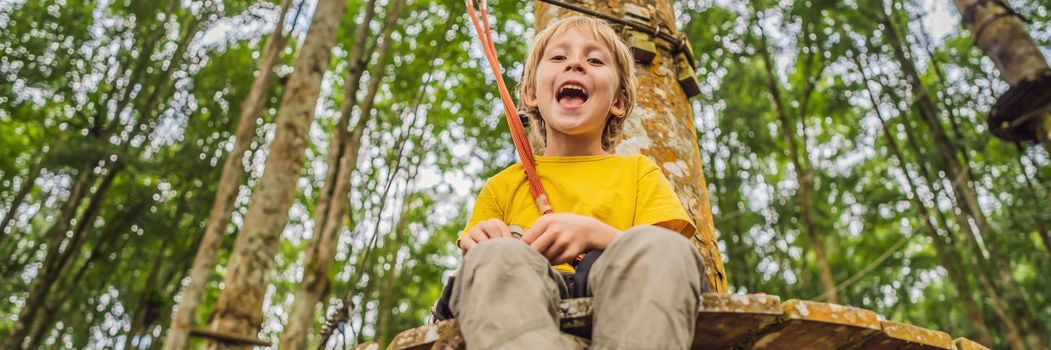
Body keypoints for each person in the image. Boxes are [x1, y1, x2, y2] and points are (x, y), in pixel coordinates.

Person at [443, 16, 708, 350]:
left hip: (630, 311)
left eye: (595, 60)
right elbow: (481, 273)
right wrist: (485, 244)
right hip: (522, 308)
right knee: (494, 259)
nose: (575, 64)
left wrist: (592, 234)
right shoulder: (503, 186)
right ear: (530, 94)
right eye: (558, 57)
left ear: (619, 102)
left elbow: (666, 259)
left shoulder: (640, 172)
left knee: (665, 249)